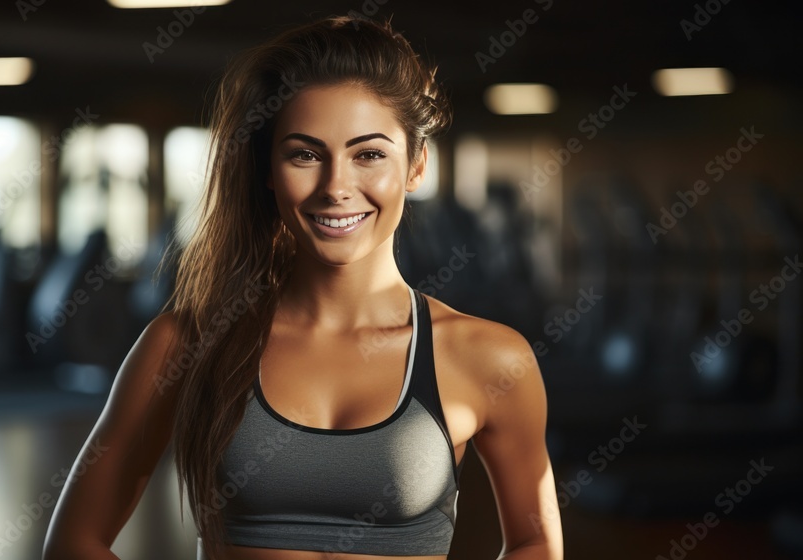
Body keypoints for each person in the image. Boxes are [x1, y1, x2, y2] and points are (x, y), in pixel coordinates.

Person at [43, 14, 563, 560]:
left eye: (368, 154)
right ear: (268, 169)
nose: (336, 187)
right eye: (305, 154)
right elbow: (75, 542)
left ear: (416, 165)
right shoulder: (186, 343)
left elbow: (535, 541)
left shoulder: (490, 358)